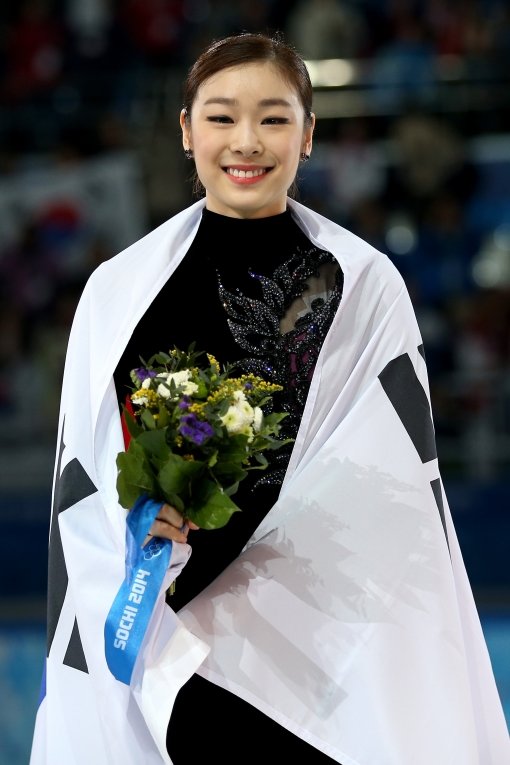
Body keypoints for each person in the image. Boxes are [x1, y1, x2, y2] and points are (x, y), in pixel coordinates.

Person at [30, 32, 509, 765]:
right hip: (169, 647)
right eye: (221, 118)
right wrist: (146, 529)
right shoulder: (118, 292)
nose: (246, 141)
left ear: (308, 134)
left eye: (274, 118)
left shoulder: (360, 283)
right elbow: (85, 485)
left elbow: (391, 481)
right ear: (186, 131)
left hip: (321, 650)